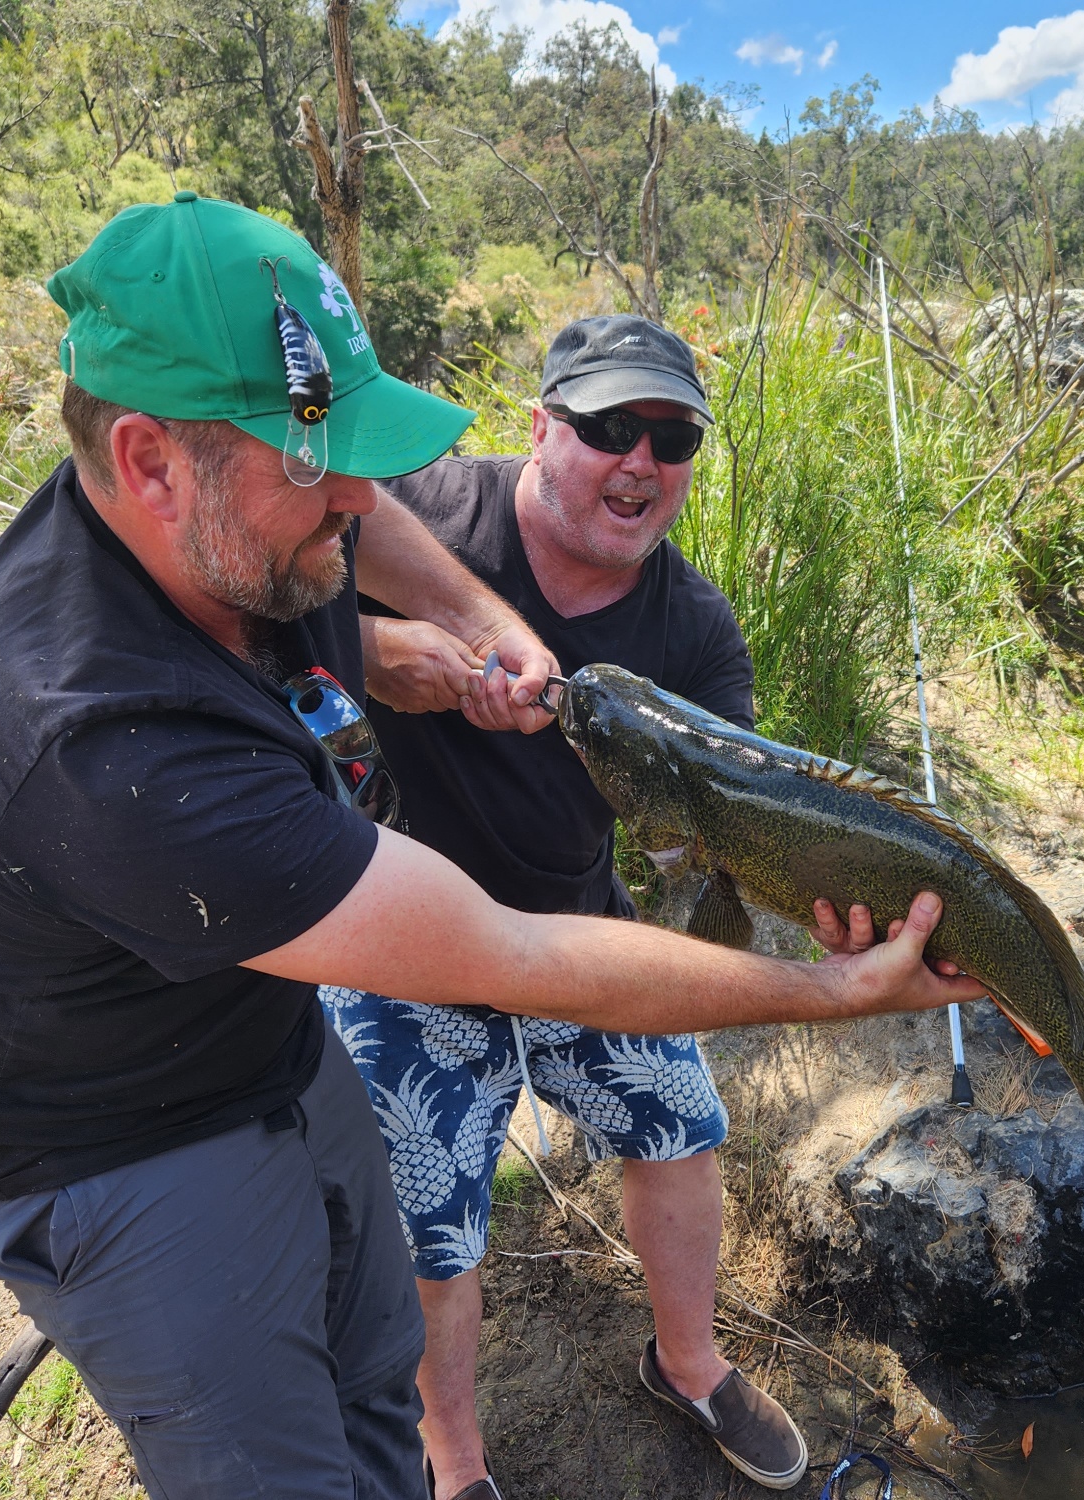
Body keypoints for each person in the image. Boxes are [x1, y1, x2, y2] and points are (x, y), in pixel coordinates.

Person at [0, 192, 981, 1500]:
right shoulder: (104, 744)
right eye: (310, 459)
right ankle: (463, 1471)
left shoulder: (245, 531)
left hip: (260, 1018)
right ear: (150, 461)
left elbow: (363, 530)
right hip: (112, 1136)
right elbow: (502, 955)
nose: (355, 492)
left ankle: (621, 1387)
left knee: (376, 1334)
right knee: (297, 1421)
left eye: (355, 446)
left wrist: (458, 626)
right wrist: (833, 992)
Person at [328, 315, 818, 1497]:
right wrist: (379, 649)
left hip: (571, 924)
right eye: (608, 428)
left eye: (672, 436)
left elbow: (717, 822)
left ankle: (688, 1364)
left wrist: (798, 903)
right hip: (403, 929)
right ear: (541, 427)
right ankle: (455, 1464)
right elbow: (238, 603)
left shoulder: (691, 629)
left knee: (682, 1121)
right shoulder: (419, 509)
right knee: (428, 1218)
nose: (639, 462)